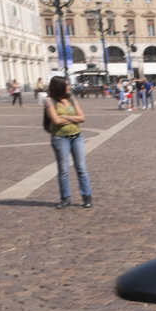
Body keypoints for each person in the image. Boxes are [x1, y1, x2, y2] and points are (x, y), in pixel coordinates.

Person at [42, 75, 92, 210]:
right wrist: (72, 119)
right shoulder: (49, 100)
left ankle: (87, 197)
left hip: (77, 137)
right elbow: (56, 121)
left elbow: (82, 118)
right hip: (60, 138)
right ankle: (65, 198)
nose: (70, 86)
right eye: (67, 85)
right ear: (59, 87)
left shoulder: (72, 99)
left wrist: (66, 117)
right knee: (63, 170)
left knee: (81, 168)